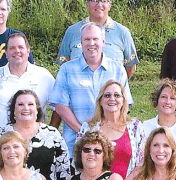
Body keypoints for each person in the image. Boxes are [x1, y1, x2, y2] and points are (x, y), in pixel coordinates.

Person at [50, 23, 132, 151]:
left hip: (109, 145)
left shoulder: (118, 69)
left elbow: (125, 105)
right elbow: (61, 106)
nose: (91, 43)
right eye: (87, 39)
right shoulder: (67, 69)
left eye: (95, 39)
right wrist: (84, 134)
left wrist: (109, 135)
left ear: (103, 42)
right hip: (75, 144)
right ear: (81, 43)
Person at [0, 89, 70, 180]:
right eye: (20, 104)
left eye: (30, 104)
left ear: (37, 109)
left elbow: (64, 173)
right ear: (13, 110)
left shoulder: (52, 134)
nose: (26, 108)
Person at [0, 31, 53, 139]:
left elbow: (58, 107)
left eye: (21, 47)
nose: (17, 51)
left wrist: (50, 134)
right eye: (12, 48)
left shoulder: (44, 76)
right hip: (2, 143)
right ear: (6, 53)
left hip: (37, 143)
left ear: (28, 50)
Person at [57, 0, 139, 79]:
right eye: (94, 0)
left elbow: (130, 67)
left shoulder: (123, 32)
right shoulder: (72, 32)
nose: (99, 4)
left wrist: (116, 85)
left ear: (109, 5)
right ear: (87, 4)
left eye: (103, 1)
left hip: (111, 88)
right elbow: (64, 65)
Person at [76, 80, 144, 180]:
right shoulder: (88, 128)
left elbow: (142, 162)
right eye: (107, 95)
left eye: (117, 95)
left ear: (123, 101)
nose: (112, 99)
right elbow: (79, 161)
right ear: (100, 101)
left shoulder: (135, 127)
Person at [138, 78, 176, 151]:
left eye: (172, 98)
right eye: (164, 97)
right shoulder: (144, 127)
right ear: (157, 100)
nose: (167, 102)